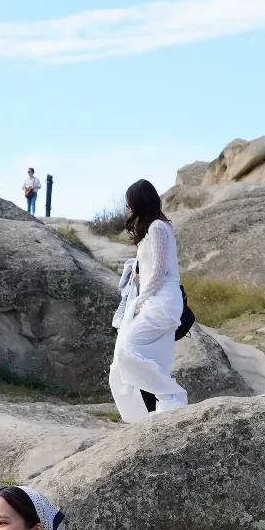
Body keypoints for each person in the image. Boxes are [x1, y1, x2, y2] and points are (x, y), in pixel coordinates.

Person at [107, 179, 187, 422]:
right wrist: (139, 277)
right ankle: (165, 400)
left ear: (139, 202)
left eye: (130, 203)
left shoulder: (158, 229)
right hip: (158, 299)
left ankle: (173, 394)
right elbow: (156, 269)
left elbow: (161, 271)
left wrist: (140, 301)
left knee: (126, 352)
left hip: (163, 301)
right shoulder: (153, 229)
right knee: (141, 356)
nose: (128, 208)